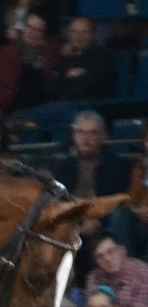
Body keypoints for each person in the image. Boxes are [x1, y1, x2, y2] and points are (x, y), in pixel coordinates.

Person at [51, 111, 132, 270]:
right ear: (74, 136)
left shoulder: (118, 166)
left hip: (105, 221)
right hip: (72, 220)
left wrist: (98, 221)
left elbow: (121, 201)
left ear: (103, 137)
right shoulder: (63, 167)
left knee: (120, 216)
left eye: (92, 133)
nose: (85, 138)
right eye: (80, 132)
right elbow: (58, 200)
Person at [0, 12, 59, 119]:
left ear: (44, 34)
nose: (32, 32)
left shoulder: (50, 56)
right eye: (29, 27)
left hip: (38, 111)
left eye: (37, 30)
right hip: (7, 108)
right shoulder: (9, 53)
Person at [84, 235, 148, 307]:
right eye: (100, 257)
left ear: (123, 251)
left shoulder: (143, 274)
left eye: (111, 252)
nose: (107, 259)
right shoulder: (94, 278)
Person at [125, 121, 148, 260]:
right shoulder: (140, 168)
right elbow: (130, 202)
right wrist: (138, 212)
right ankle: (127, 266)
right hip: (140, 222)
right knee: (119, 214)